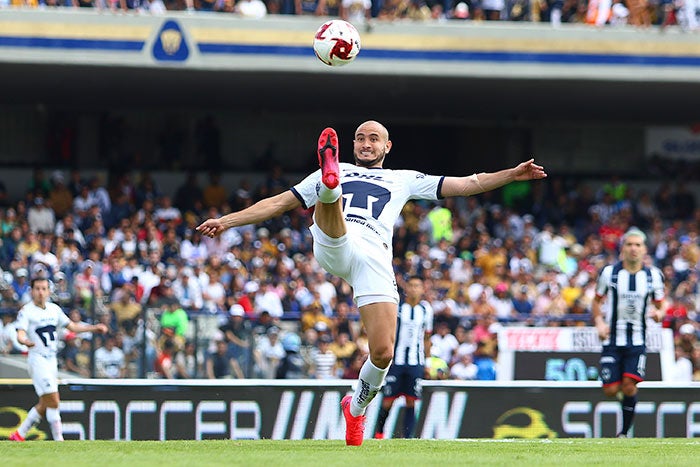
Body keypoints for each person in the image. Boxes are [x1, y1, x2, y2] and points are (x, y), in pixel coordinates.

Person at [197, 121, 546, 446]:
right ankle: (331, 190)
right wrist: (227, 222)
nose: (366, 143)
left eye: (373, 138)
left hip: (375, 258)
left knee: (383, 353)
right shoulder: (335, 170)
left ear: (387, 146)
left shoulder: (403, 179)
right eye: (360, 138)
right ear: (351, 146)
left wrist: (512, 175)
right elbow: (277, 204)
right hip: (337, 241)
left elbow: (468, 184)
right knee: (328, 200)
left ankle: (356, 408)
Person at [9, 276, 108, 442]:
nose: (40, 292)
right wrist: (25, 341)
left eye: (43, 289)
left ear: (48, 291)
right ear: (32, 291)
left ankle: (19, 434)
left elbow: (73, 326)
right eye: (37, 289)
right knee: (54, 400)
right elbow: (20, 333)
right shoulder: (27, 311)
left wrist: (93, 328)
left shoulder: (54, 310)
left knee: (45, 401)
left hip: (51, 360)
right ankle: (59, 439)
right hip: (38, 359)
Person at [592, 227, 666, 438]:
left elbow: (661, 304)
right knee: (610, 390)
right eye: (629, 244)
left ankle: (623, 433)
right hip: (612, 338)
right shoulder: (609, 273)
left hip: (638, 339)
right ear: (622, 248)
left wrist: (659, 313)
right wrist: (598, 322)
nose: (633, 249)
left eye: (638, 245)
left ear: (644, 250)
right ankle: (625, 402)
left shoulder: (653, 276)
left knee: (629, 386)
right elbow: (596, 302)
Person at [374, 276, 433, 439]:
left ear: (422, 289)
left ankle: (408, 437)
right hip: (396, 362)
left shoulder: (426, 310)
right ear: (406, 288)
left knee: (411, 400)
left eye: (417, 286)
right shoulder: (397, 308)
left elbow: (427, 338)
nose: (414, 289)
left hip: (416, 362)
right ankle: (379, 433)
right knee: (388, 400)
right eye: (411, 285)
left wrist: (427, 362)